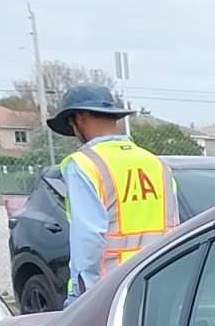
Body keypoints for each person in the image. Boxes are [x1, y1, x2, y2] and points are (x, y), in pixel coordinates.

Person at [48, 84, 171, 303]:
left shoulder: (84, 164)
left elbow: (88, 238)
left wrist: (80, 297)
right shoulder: (156, 163)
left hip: (112, 289)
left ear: (79, 118)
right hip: (160, 283)